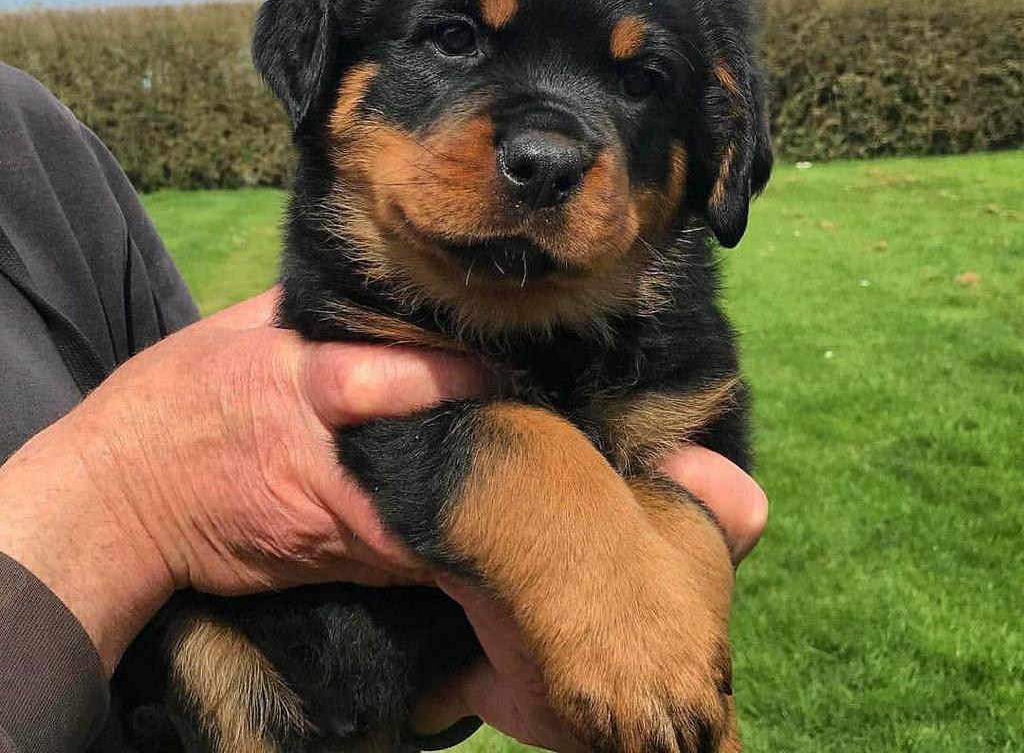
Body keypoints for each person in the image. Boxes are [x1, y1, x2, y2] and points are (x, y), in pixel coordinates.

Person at [0, 61, 768, 753]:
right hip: (213, 681)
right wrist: (117, 501)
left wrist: (657, 589)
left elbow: (226, 413)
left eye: (640, 83)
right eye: (455, 37)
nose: (544, 148)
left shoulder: (29, 135)